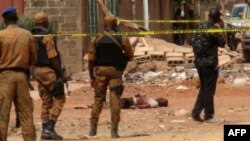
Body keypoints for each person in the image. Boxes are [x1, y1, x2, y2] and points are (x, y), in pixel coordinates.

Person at [88, 15, 133, 138]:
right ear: (115, 25)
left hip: (100, 72)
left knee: (98, 99)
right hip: (115, 72)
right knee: (115, 100)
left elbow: (91, 60)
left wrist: (91, 77)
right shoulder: (122, 38)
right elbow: (130, 54)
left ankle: (93, 128)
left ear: (104, 25)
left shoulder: (96, 39)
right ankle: (114, 131)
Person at [0, 6, 37, 141]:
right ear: (17, 18)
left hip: (4, 77)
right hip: (22, 77)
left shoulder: (1, 35)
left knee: (2, 115)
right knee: (26, 114)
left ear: (4, 19)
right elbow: (34, 58)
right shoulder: (27, 35)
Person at [31, 11, 68, 140]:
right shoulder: (47, 36)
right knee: (60, 97)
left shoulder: (31, 36)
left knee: (46, 101)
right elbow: (53, 57)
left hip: (36, 71)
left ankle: (44, 131)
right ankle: (49, 128)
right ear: (46, 22)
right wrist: (62, 74)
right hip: (47, 71)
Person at [191, 7, 226, 123]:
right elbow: (222, 43)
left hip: (199, 62)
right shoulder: (213, 29)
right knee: (209, 90)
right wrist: (222, 29)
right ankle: (209, 116)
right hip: (209, 63)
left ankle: (196, 112)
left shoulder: (200, 26)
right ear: (217, 18)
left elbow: (192, 40)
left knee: (204, 89)